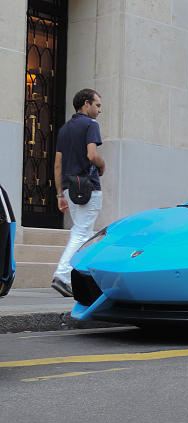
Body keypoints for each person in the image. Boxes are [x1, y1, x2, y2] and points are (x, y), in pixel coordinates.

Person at [51, 89, 105, 297]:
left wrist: (60, 195)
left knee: (87, 234)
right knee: (82, 233)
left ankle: (88, 280)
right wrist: (103, 164)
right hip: (88, 186)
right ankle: (62, 276)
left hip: (69, 188)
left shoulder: (64, 129)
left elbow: (57, 165)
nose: (100, 110)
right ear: (86, 104)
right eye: (97, 105)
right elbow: (92, 155)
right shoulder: (91, 125)